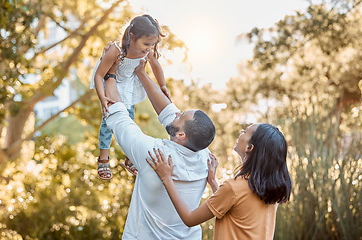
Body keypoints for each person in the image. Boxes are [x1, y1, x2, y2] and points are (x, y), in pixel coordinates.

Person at [102, 57, 216, 239]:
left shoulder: (155, 155)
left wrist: (109, 74)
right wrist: (141, 73)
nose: (177, 113)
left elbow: (117, 115)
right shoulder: (204, 154)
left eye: (182, 116)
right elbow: (167, 110)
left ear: (181, 135)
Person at [147, 123, 292, 240]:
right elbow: (236, 209)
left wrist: (167, 179)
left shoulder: (234, 187)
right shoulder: (271, 188)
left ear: (250, 148)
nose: (241, 131)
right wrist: (213, 182)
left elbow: (189, 219)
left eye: (245, 131)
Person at [90, 14, 171, 180]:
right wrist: (102, 98)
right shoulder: (116, 51)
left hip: (128, 85)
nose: (149, 48)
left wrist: (162, 85)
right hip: (110, 81)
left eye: (152, 44)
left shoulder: (146, 51)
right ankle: (103, 158)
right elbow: (99, 75)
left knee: (130, 120)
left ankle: (129, 157)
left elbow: (155, 65)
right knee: (108, 120)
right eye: (146, 44)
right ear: (132, 37)